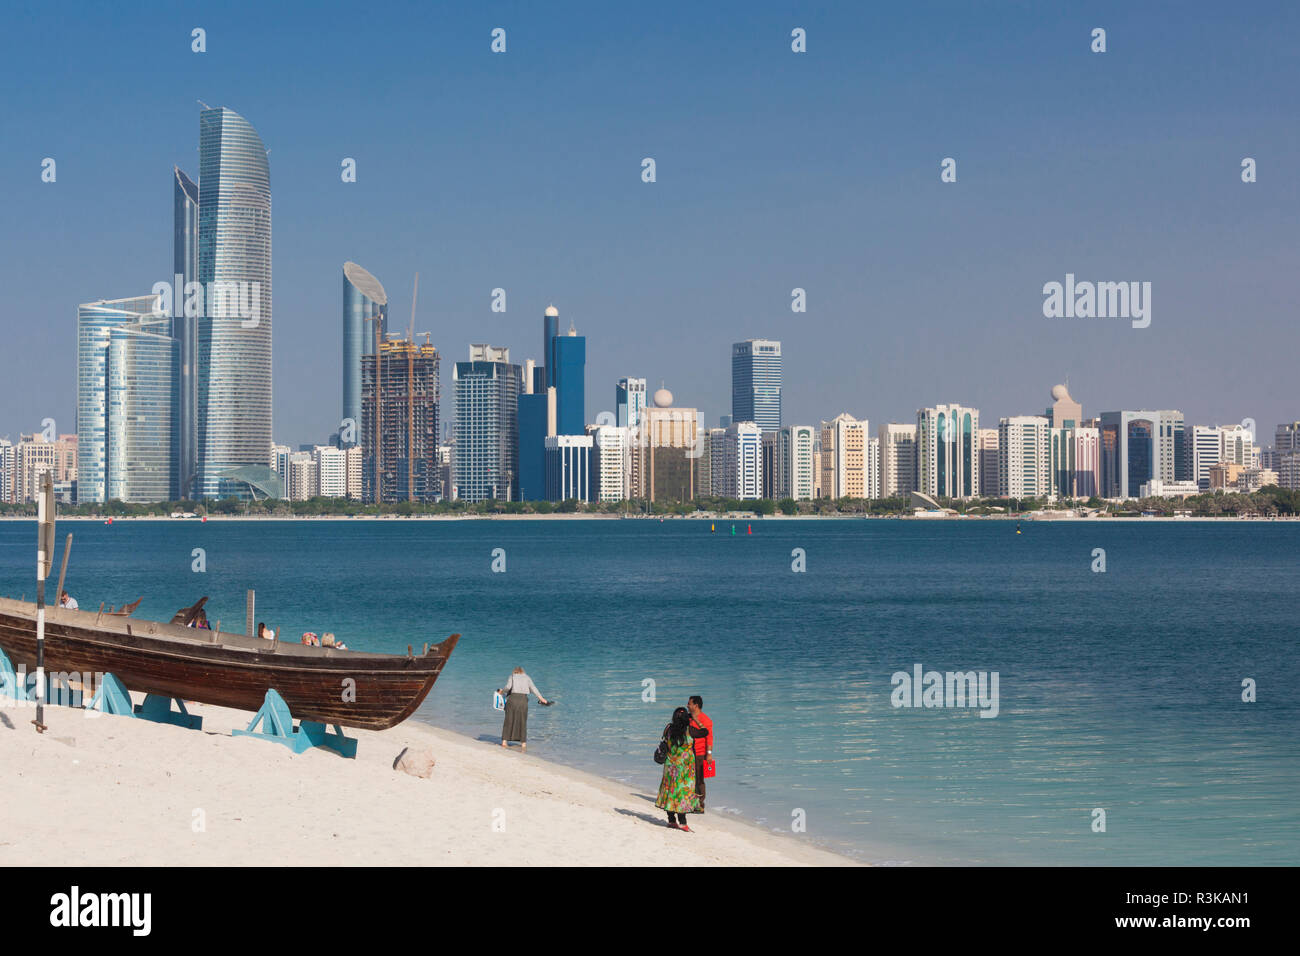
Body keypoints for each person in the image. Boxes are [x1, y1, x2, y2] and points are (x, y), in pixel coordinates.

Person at [655, 707, 709, 830]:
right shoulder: (690, 730)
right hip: (685, 769)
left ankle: (671, 820)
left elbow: (664, 742)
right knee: (682, 795)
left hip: (670, 767)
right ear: (687, 718)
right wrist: (696, 720)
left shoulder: (668, 729)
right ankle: (683, 823)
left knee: (670, 791)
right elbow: (705, 732)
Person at [498, 666, 548, 751]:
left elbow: (508, 687)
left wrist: (501, 692)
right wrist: (541, 699)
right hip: (523, 701)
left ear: (515, 672)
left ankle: (504, 742)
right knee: (522, 721)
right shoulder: (527, 677)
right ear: (523, 672)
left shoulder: (512, 676)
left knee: (508, 720)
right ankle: (523, 744)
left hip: (512, 699)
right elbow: (533, 688)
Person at [687, 695, 714, 811]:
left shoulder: (705, 720)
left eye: (689, 704)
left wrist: (708, 753)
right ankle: (690, 801)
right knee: (689, 778)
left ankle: (700, 804)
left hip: (700, 753)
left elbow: (710, 738)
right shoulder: (688, 718)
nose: (687, 705)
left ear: (695, 705)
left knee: (699, 779)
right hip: (688, 752)